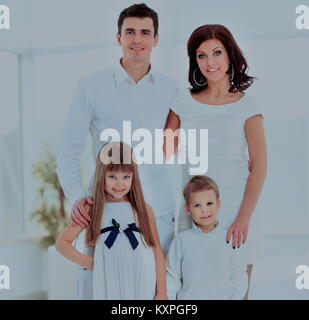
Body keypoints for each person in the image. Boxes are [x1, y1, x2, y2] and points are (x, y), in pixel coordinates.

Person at [56, 3, 178, 298]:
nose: (137, 39)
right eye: (130, 32)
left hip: (158, 213)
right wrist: (78, 200)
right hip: (104, 209)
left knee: (157, 292)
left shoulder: (172, 90)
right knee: (99, 288)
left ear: (156, 39)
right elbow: (68, 150)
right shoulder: (91, 86)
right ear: (118, 37)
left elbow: (180, 144)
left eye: (145, 32)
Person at [164, 24, 267, 299]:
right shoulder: (182, 100)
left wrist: (244, 217)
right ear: (194, 61)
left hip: (235, 211)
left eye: (217, 53)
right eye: (202, 55)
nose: (210, 62)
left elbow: (260, 166)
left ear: (230, 56)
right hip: (194, 209)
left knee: (235, 292)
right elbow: (161, 151)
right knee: (188, 292)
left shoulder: (247, 105)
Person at [55, 142, 167, 300]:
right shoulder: (93, 208)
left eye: (126, 177)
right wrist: (90, 263)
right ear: (102, 175)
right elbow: (61, 243)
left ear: (133, 177)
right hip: (108, 281)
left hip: (142, 280)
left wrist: (162, 292)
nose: (120, 183)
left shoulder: (143, 209)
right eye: (113, 176)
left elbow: (157, 251)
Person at [166, 176, 248, 300]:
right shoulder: (182, 241)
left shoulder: (229, 239)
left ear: (218, 204)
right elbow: (172, 277)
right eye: (197, 205)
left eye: (209, 203)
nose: (204, 210)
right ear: (187, 209)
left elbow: (239, 274)